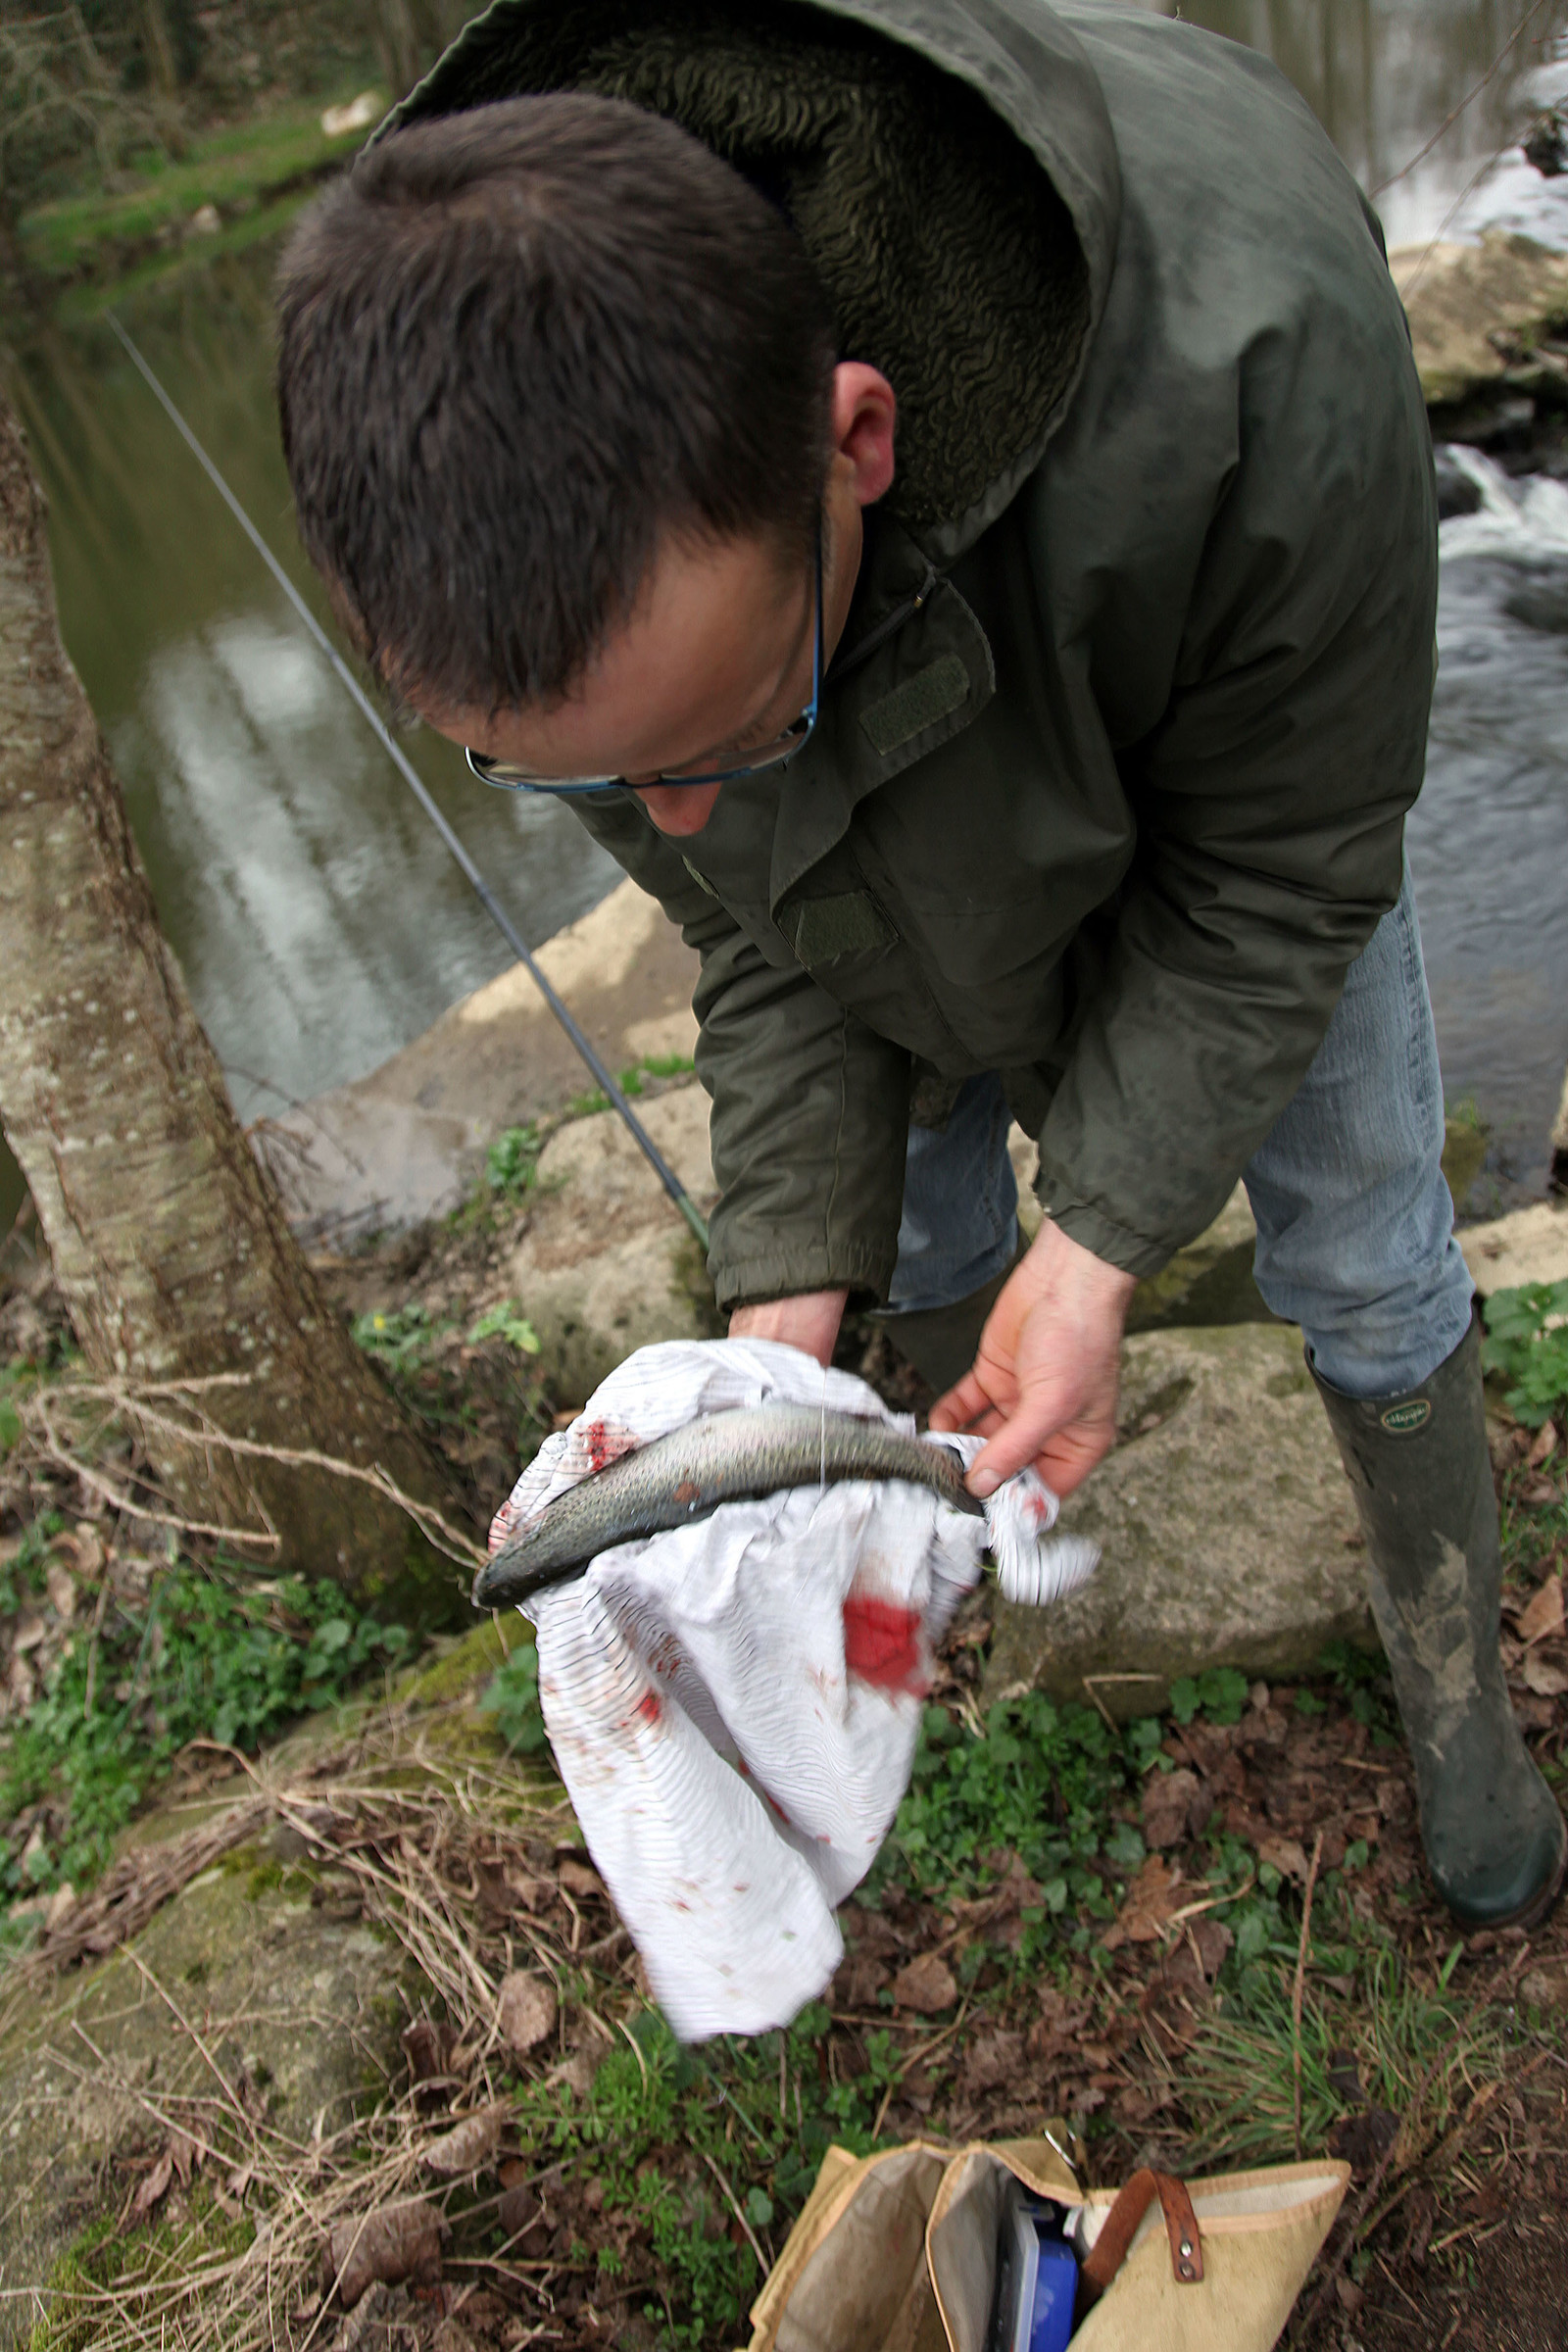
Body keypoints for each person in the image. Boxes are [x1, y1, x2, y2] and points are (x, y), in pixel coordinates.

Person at [273, 0, 1565, 1931]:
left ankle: (1459, 1708)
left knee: (1369, 1251)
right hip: (886, 852)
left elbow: (1283, 873)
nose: (667, 822)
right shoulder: (478, 509)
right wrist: (777, 1330)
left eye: (712, 737)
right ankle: (1002, 1559)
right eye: (595, 779)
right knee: (924, 1252)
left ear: (854, 438)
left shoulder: (1257, 350)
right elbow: (748, 918)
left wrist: (1101, 1238)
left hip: (1222, 806)